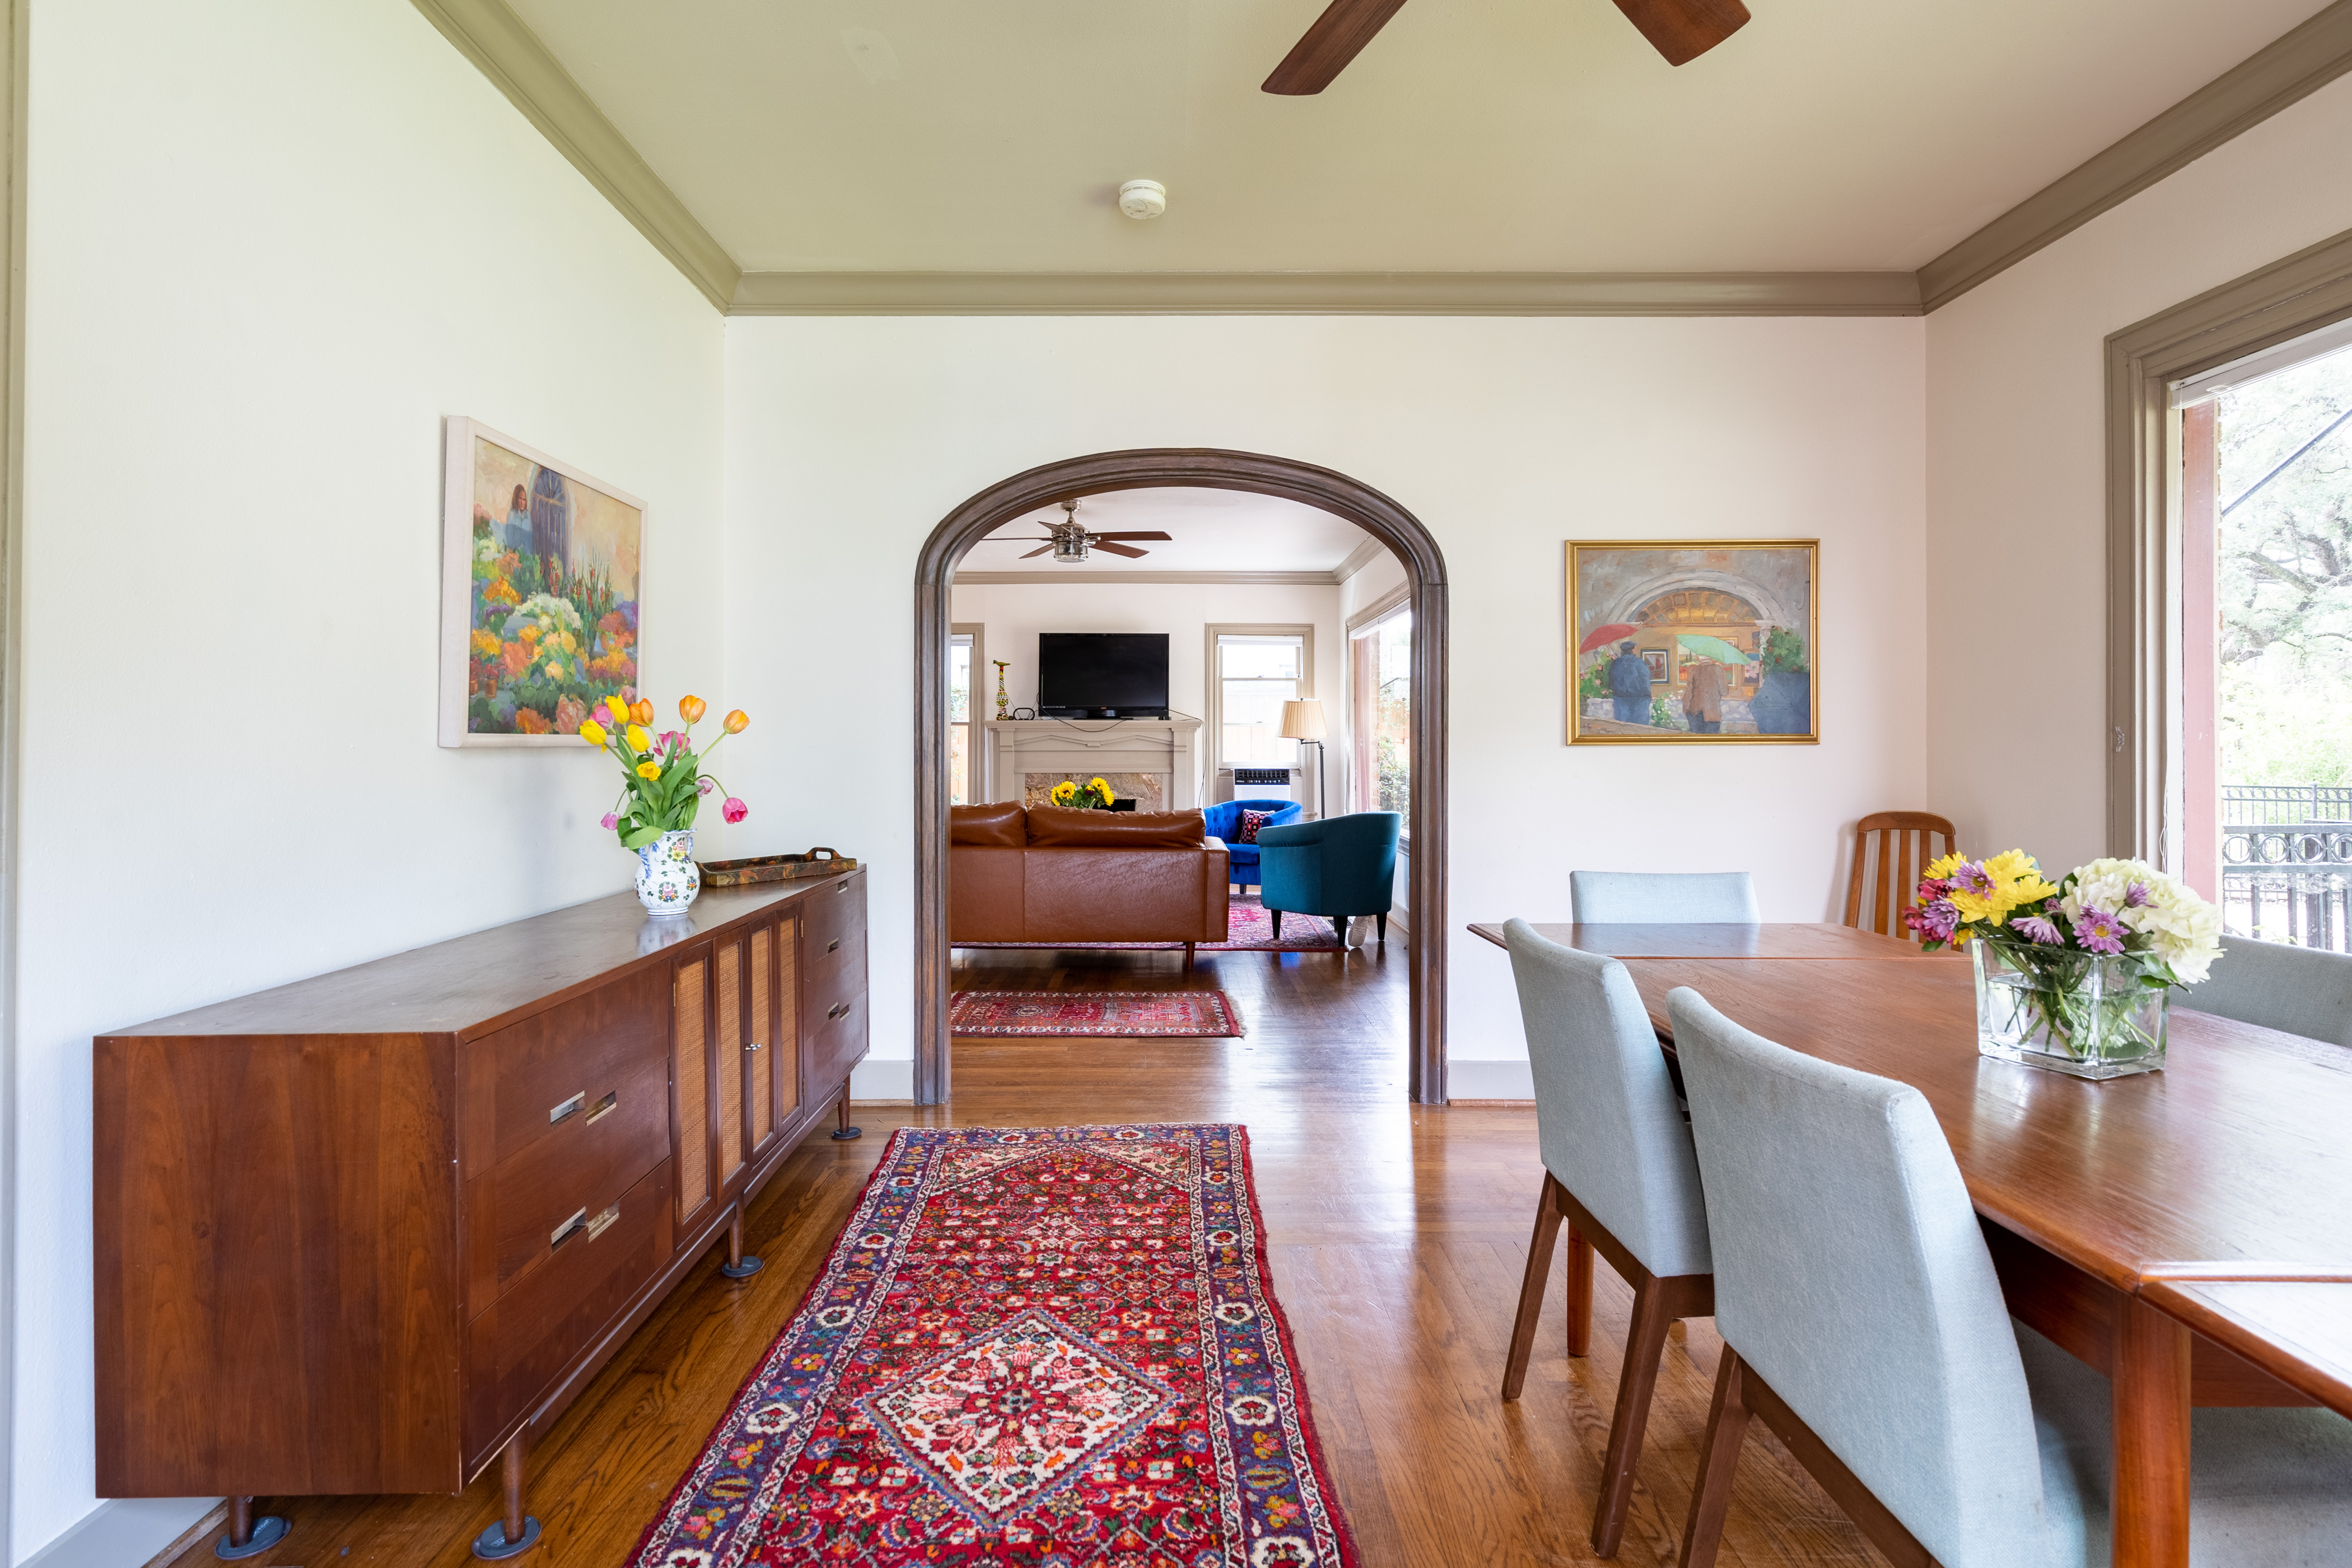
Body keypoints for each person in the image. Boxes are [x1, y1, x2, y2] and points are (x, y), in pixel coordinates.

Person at [1606, 640, 1653, 724]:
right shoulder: (1641, 663)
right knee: (1642, 728)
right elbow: (1646, 682)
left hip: (1622, 699)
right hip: (1641, 700)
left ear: (1622, 651)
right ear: (1633, 650)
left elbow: (1612, 684)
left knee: (1623, 728)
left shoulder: (1616, 664)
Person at [1683, 656, 1727, 735]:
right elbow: (1725, 692)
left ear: (1699, 658)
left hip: (1695, 712)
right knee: (1711, 742)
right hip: (1712, 713)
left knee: (1696, 741)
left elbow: (1688, 693)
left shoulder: (1693, 670)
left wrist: (1685, 709)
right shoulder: (1718, 669)